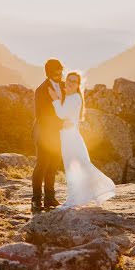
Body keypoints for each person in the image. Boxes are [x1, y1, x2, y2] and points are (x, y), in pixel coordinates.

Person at [48, 71, 117, 209]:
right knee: (78, 167)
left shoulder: (74, 98)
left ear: (78, 84)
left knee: (73, 168)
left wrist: (55, 99)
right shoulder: (69, 96)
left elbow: (62, 114)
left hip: (71, 138)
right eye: (69, 80)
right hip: (68, 137)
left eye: (74, 81)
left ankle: (74, 200)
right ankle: (87, 195)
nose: (70, 83)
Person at [31, 59, 71, 212]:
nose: (59, 75)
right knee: (42, 165)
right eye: (56, 72)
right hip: (44, 131)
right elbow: (41, 115)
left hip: (59, 133)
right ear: (48, 73)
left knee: (53, 164)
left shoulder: (63, 86)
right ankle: (35, 200)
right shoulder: (41, 90)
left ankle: (50, 198)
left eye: (61, 71)